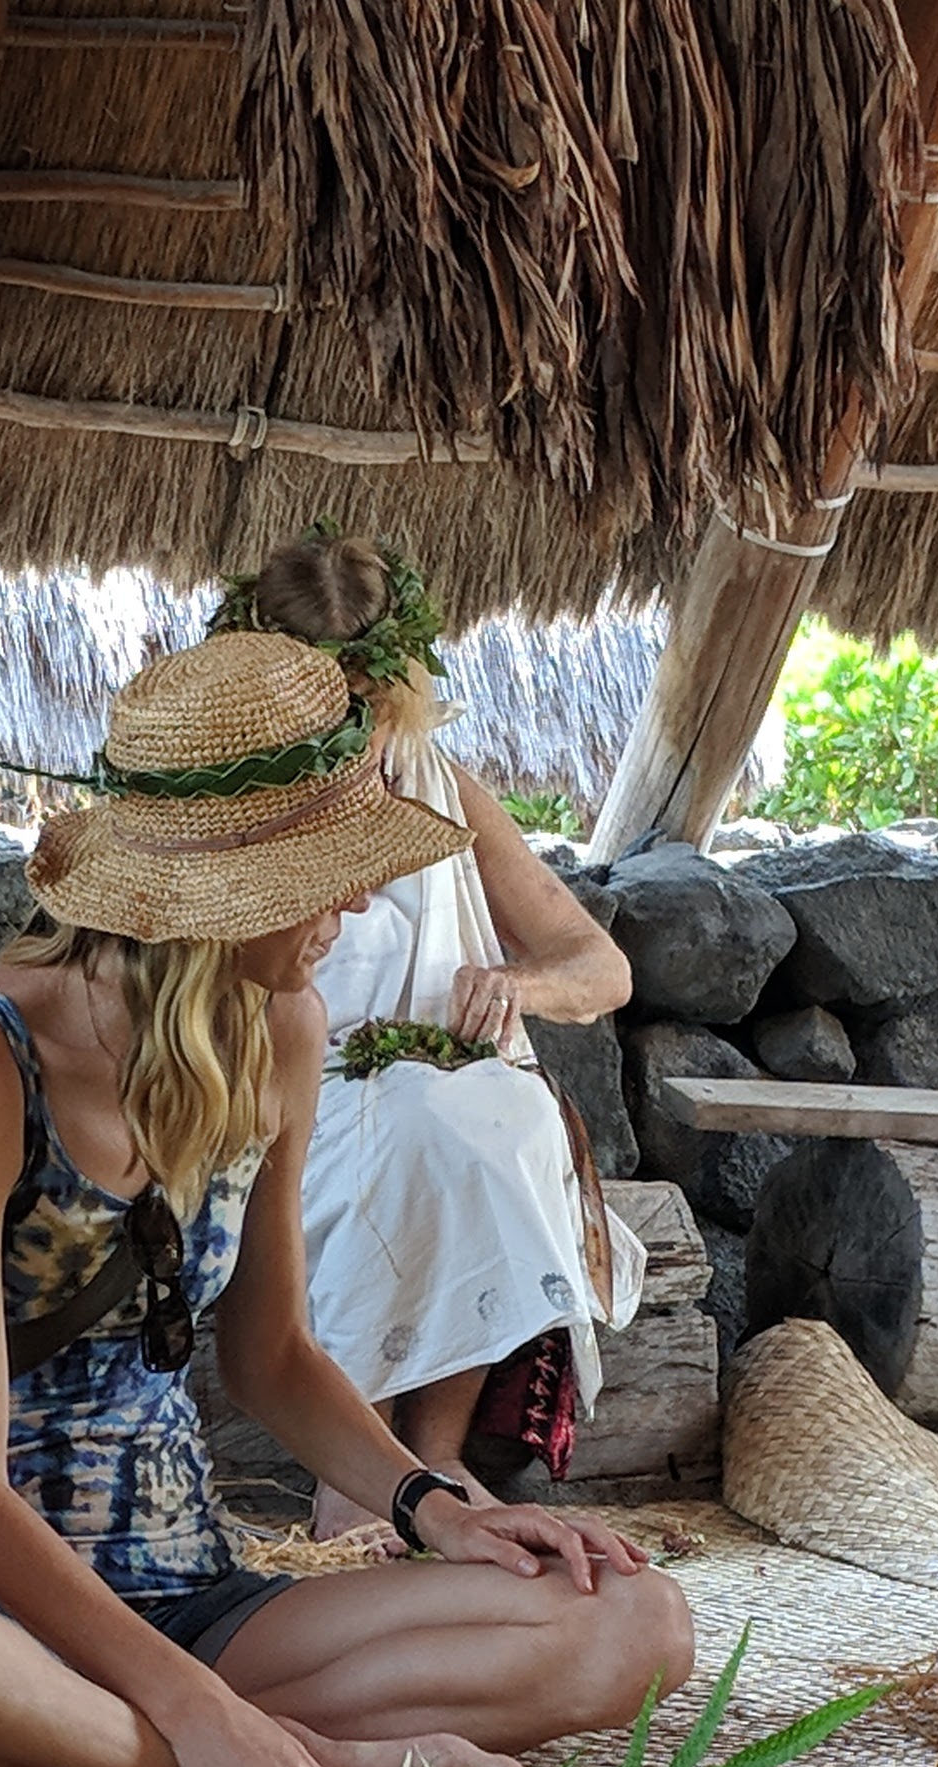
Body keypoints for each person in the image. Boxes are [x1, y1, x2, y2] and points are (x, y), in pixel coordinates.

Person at [0, 629, 696, 1767]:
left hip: (187, 1588)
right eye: (331, 868)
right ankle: (220, 1749)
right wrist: (201, 1712)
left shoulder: (282, 1028)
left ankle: (71, 1759)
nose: (360, 897)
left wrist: (442, 1509)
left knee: (638, 1625)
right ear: (231, 890)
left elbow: (271, 1355)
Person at [224, 532, 639, 1522]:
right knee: (400, 1133)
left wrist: (516, 988)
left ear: (397, 686)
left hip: (448, 1082)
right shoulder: (228, 787)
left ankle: (438, 1451)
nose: (344, 723)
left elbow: (602, 969)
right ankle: (351, 1472)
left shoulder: (439, 784)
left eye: (361, 704)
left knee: (498, 1118)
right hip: (277, 1084)